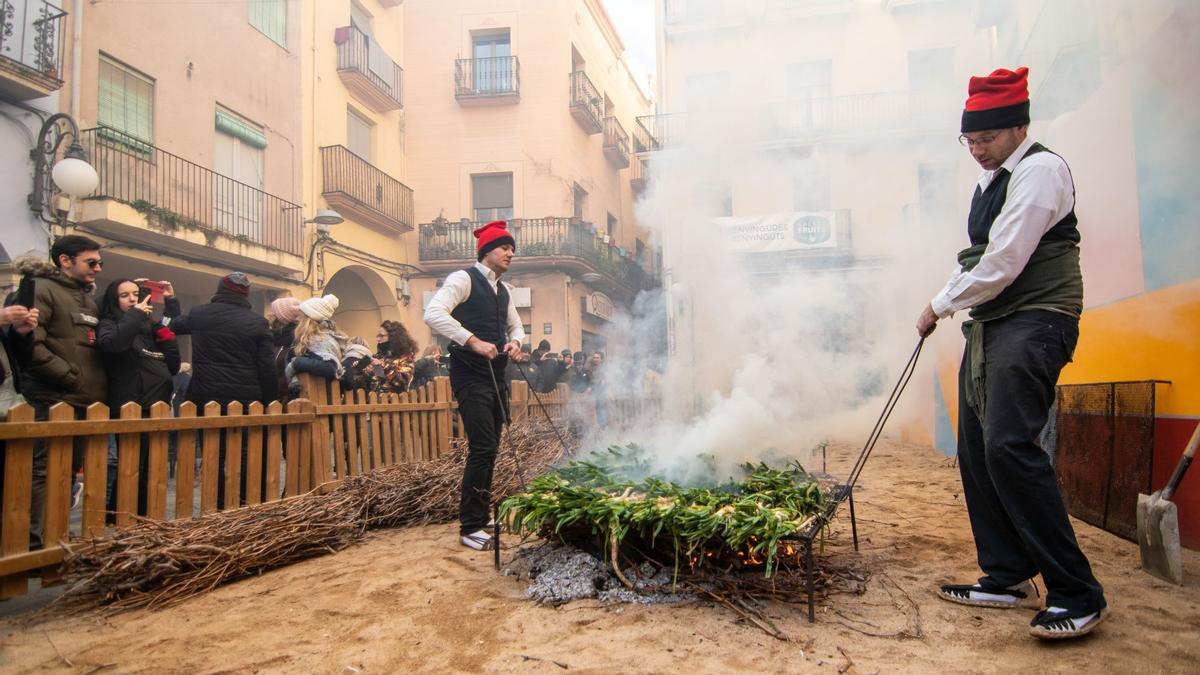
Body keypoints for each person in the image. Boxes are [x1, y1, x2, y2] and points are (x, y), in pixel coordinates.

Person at [916, 67, 1106, 640]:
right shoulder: (989, 181)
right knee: (977, 450)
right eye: (969, 141)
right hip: (992, 324)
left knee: (1009, 445)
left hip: (1037, 319)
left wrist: (938, 305)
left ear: (1018, 126)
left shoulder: (1041, 171)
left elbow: (1001, 263)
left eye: (987, 139)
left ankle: (1077, 591)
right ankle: (1005, 574)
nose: (977, 151)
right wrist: (947, 297)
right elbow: (974, 257)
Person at [424, 220, 524, 551]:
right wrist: (473, 341)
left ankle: (481, 518)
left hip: (497, 377)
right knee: (482, 447)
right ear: (486, 251)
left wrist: (516, 343)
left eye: (512, 248)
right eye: (504, 247)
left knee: (490, 447)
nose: (511, 252)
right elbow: (433, 313)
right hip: (470, 375)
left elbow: (516, 326)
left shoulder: (503, 290)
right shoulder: (463, 278)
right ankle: (469, 526)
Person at [18, 237, 108, 548]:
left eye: (99, 263)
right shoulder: (40, 289)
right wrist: (69, 378)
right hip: (53, 397)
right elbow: (30, 344)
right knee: (43, 470)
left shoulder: (87, 298)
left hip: (83, 400)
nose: (97, 268)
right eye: (91, 262)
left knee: (68, 472)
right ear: (65, 261)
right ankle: (33, 542)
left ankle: (55, 534)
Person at [168, 272, 277, 508]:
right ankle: (243, 502)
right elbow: (266, 367)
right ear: (245, 294)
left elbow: (173, 326)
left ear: (219, 291)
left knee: (212, 452)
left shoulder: (199, 314)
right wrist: (270, 401)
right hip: (247, 401)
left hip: (205, 397)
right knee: (245, 452)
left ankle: (215, 504)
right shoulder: (257, 323)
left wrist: (171, 302)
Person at [97, 278, 181, 517]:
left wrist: (170, 304)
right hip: (130, 403)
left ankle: (141, 516)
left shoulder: (147, 325)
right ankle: (120, 515)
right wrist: (133, 316)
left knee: (147, 468)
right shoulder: (110, 323)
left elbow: (170, 347)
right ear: (114, 300)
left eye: (135, 294)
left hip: (156, 402)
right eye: (125, 295)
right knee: (129, 466)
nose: (133, 299)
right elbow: (113, 345)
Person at [284, 294, 345, 396]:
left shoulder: (321, 339)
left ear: (309, 319)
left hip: (320, 398)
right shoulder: (308, 339)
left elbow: (330, 368)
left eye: (301, 315)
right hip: (309, 397)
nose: (297, 319)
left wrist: (296, 363)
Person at [364, 320, 418, 395]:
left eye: (382, 336)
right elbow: (373, 382)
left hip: (396, 402)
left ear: (393, 337)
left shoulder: (405, 357)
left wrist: (383, 366)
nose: (378, 339)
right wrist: (365, 371)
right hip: (375, 402)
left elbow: (402, 382)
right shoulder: (378, 356)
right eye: (378, 336)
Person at [268, 297, 302, 403]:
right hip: (275, 397)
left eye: (274, 312)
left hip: (288, 398)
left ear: (282, 318)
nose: (269, 314)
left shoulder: (295, 340)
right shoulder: (272, 337)